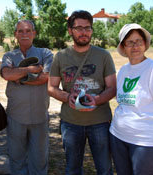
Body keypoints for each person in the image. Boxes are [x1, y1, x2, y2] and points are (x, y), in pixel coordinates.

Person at [48, 10, 116, 175]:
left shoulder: (104, 55)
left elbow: (112, 88)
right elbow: (51, 87)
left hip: (100, 122)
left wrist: (97, 100)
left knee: (105, 169)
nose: (84, 32)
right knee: (72, 169)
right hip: (71, 123)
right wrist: (68, 97)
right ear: (70, 30)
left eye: (88, 28)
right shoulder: (60, 56)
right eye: (79, 28)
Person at [109, 23, 153, 175]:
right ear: (123, 46)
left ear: (145, 44)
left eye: (139, 41)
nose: (135, 46)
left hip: (147, 143)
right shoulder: (123, 71)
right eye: (130, 42)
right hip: (118, 137)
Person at [0, 20, 53, 175]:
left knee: (40, 160)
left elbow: (45, 77)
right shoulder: (9, 56)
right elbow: (6, 74)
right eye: (20, 31)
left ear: (34, 33)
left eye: (28, 31)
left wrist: (19, 78)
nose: (24, 34)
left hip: (40, 116)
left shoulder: (45, 54)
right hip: (16, 116)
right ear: (15, 34)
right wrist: (31, 70)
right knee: (17, 159)